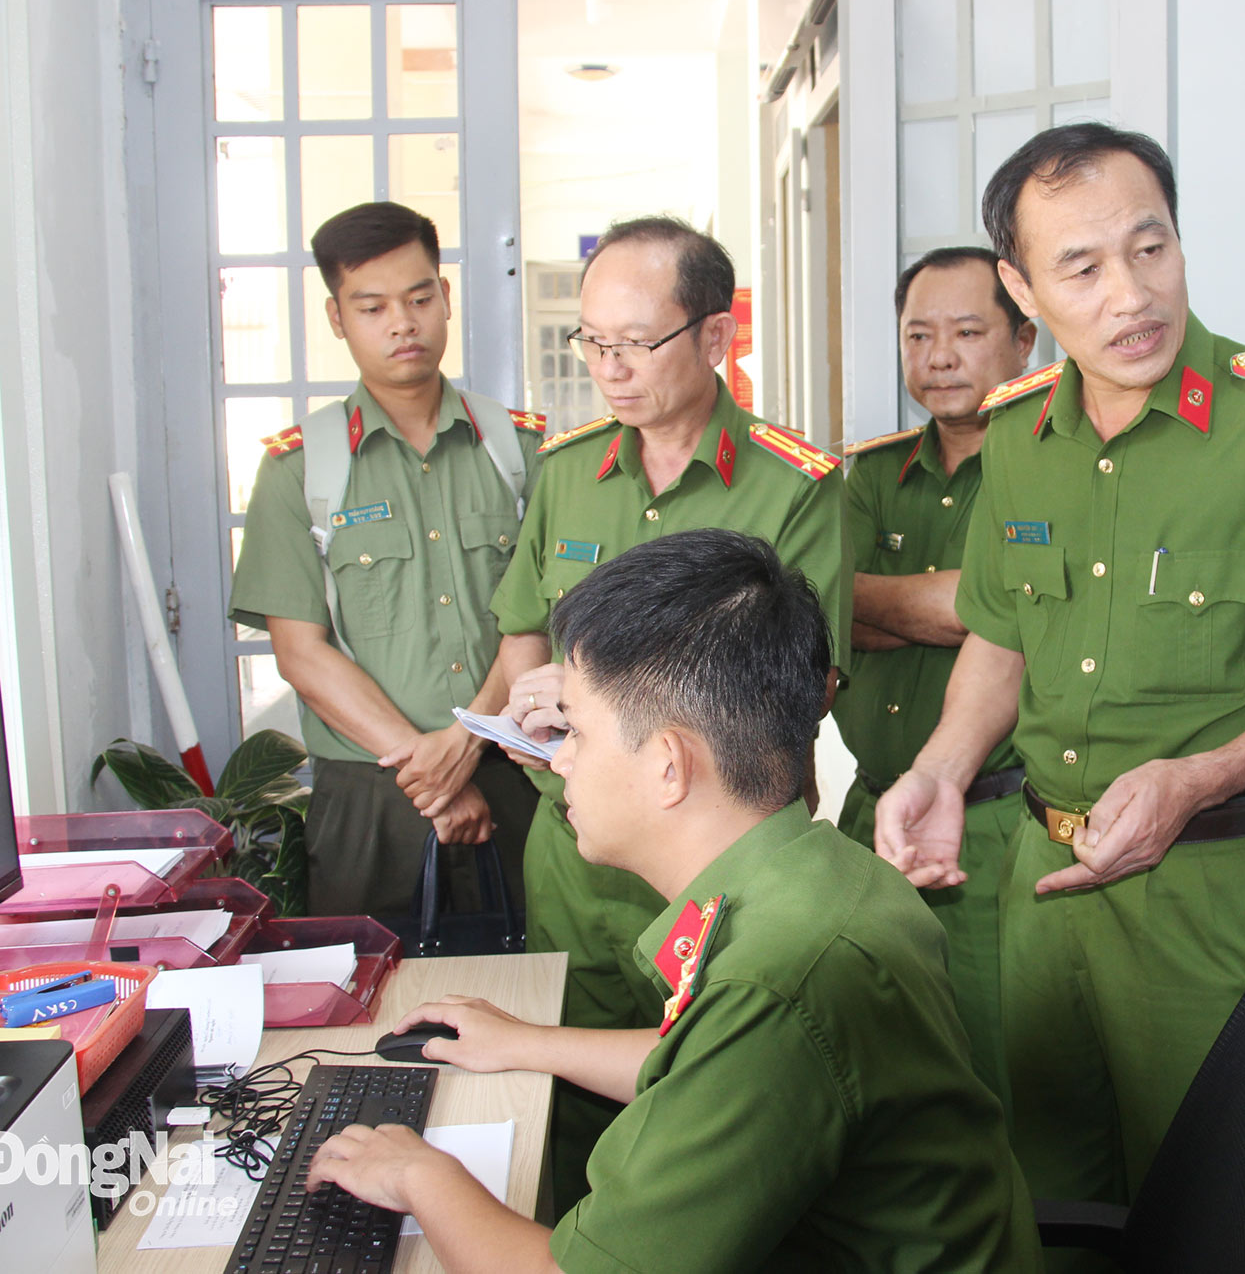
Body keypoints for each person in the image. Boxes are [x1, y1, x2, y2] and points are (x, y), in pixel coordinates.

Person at [873, 122, 1245, 1211]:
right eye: (1080, 268)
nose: (1130, 294)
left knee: (1210, 1202)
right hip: (1042, 889)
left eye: (1149, 247)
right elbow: (1000, 631)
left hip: (1219, 893)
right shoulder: (1019, 436)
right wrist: (940, 766)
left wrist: (1196, 777)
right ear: (1020, 290)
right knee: (1045, 1190)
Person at [309, 530, 1042, 1273]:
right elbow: (716, 1065)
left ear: (668, 765)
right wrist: (528, 1042)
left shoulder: (775, 980)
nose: (560, 760)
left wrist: (416, 1171)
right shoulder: (821, 873)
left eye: (578, 733)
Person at [488, 216, 851, 1213]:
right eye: (591, 342)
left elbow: (799, 687)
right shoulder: (566, 473)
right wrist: (534, 711)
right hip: (573, 854)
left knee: (726, 1133)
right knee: (571, 1118)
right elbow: (523, 634)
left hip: (714, 868)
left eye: (634, 343)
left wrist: (598, 695)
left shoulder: (794, 485)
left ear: (714, 336)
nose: (609, 368)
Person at [229, 201, 542, 918]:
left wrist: (466, 743)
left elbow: (543, 614)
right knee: (370, 1017)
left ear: (446, 298)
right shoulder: (298, 472)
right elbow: (301, 654)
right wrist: (429, 769)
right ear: (338, 318)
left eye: (420, 298)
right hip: (371, 799)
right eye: (372, 307)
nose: (403, 323)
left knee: (536, 992)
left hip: (516, 773)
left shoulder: (520, 453)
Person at [835, 247, 1037, 1102]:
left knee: (992, 1069)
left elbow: (998, 612)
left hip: (995, 820)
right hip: (865, 812)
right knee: (868, 1057)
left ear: (1026, 338)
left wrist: (890, 605)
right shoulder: (873, 471)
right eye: (919, 334)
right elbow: (819, 607)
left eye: (966, 331)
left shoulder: (1052, 462)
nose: (939, 355)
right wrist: (949, 606)